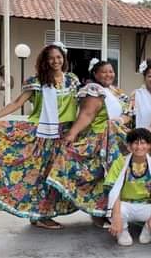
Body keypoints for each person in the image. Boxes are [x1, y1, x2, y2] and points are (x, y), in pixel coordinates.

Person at [0, 42, 79, 229]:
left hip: (65, 135)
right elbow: (17, 102)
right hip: (42, 135)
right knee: (39, 176)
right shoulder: (37, 81)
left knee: (58, 176)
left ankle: (45, 213)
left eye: (58, 57)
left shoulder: (72, 80)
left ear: (64, 58)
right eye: (51, 57)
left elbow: (80, 105)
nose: (55, 61)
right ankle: (40, 216)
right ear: (45, 60)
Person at [46, 58, 129, 223]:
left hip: (115, 140)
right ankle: (98, 213)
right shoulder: (93, 90)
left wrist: (120, 120)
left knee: (111, 177)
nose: (108, 74)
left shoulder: (116, 92)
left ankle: (106, 212)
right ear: (95, 74)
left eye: (111, 71)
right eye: (103, 72)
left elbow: (128, 113)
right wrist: (72, 134)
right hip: (98, 140)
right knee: (96, 176)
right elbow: (87, 115)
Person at [105, 128, 151, 246]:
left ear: (150, 145)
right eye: (136, 143)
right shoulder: (120, 162)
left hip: (146, 205)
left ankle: (148, 229)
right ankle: (122, 230)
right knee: (113, 212)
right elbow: (114, 190)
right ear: (129, 146)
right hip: (125, 204)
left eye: (143, 143)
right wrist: (117, 217)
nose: (139, 147)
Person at [123, 59, 151, 130]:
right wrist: (120, 120)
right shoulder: (137, 94)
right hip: (142, 136)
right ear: (144, 78)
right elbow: (128, 114)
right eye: (150, 76)